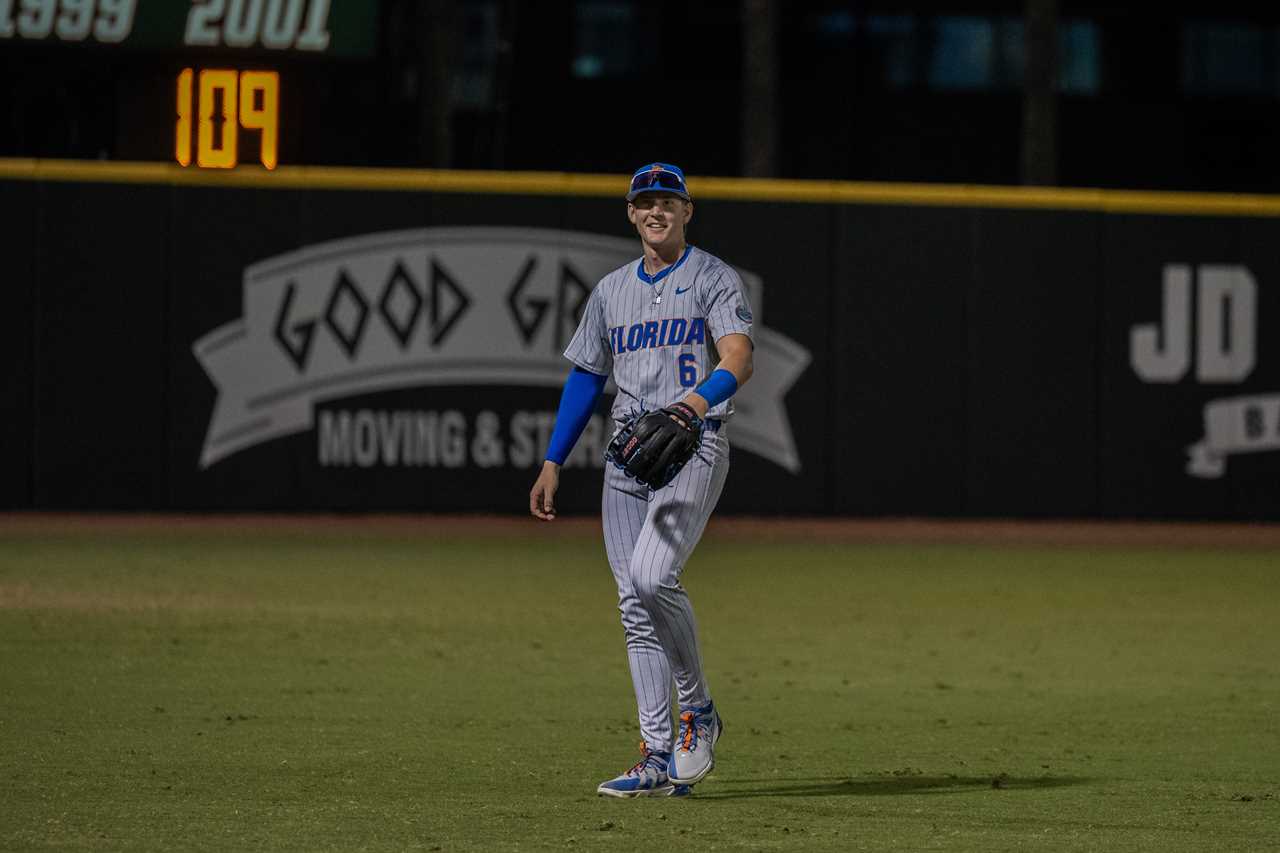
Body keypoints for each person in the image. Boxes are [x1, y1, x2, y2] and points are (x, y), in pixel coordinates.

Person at [528, 162, 755, 797]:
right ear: (631, 214)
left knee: (655, 576)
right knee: (634, 603)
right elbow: (585, 377)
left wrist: (694, 402)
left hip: (694, 441)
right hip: (628, 455)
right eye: (645, 201)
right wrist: (553, 459)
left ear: (688, 211)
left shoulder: (712, 276)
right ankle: (656, 757)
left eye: (668, 200)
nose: (656, 210)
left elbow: (739, 356)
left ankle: (699, 712)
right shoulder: (609, 292)